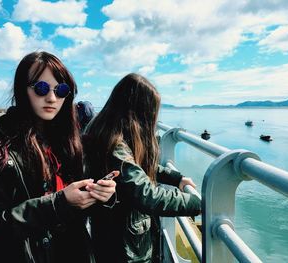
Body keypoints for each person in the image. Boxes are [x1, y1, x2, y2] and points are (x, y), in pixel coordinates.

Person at [0, 51, 116, 263]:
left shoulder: (69, 141)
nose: (52, 98)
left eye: (61, 90)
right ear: (22, 90)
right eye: (41, 88)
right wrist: (59, 203)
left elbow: (75, 206)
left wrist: (101, 195)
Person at [84, 73, 201, 262]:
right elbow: (148, 196)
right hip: (125, 248)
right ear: (140, 112)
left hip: (111, 237)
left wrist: (175, 178)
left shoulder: (108, 134)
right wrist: (198, 204)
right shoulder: (115, 146)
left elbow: (135, 170)